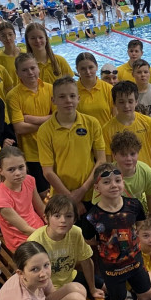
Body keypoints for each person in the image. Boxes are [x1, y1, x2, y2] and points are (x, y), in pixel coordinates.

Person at [83, 163, 151, 300]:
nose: (113, 185)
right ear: (97, 187)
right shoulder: (92, 217)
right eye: (106, 182)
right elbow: (89, 240)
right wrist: (108, 245)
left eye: (118, 180)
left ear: (123, 182)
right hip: (112, 269)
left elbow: (139, 224)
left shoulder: (134, 205)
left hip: (135, 262)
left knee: (147, 294)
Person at [36, 76, 105, 212]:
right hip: (62, 197)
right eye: (62, 97)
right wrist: (70, 197)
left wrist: (82, 190)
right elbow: (48, 172)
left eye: (72, 96)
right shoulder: (45, 130)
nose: (68, 100)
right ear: (53, 100)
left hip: (92, 193)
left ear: (78, 98)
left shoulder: (92, 123)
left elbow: (101, 160)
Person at [6, 53, 54, 198]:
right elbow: (19, 128)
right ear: (17, 73)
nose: (30, 73)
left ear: (38, 68)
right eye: (25, 70)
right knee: (43, 193)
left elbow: (59, 119)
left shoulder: (51, 89)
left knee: (58, 189)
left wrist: (29, 118)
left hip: (54, 148)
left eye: (33, 68)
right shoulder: (13, 95)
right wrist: (48, 122)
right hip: (31, 153)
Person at [102, 81, 151, 186]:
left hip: (146, 180)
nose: (126, 106)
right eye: (121, 102)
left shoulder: (148, 122)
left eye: (130, 101)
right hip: (121, 184)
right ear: (114, 103)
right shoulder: (107, 129)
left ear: (136, 101)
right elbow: (108, 161)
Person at [0, 146, 46, 251]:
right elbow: (24, 229)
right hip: (21, 241)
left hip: (40, 229)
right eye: (11, 169)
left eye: (21, 167)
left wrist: (54, 225)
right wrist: (49, 236)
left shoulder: (29, 180)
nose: (18, 173)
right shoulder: (0, 198)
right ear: (1, 171)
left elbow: (41, 208)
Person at [109, 130, 151, 215]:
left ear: (138, 153)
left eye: (132, 154)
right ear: (114, 155)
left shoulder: (146, 171)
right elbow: (99, 205)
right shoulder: (105, 175)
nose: (128, 159)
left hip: (139, 214)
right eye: (123, 154)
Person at [75, 52, 113, 128]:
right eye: (83, 68)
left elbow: (116, 117)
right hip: (82, 136)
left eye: (91, 67)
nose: (88, 72)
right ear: (77, 69)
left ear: (97, 67)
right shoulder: (72, 90)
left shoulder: (109, 89)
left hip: (105, 136)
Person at [0, 21, 21, 85]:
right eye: (3, 36)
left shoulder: (25, 53)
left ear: (15, 35)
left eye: (10, 34)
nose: (7, 38)